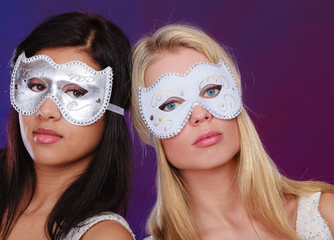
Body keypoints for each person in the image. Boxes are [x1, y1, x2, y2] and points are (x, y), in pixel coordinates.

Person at [130, 24, 334, 240]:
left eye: (211, 90)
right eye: (170, 105)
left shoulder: (325, 213)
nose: (200, 114)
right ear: (148, 128)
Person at [0, 12, 135, 240]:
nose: (46, 111)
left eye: (76, 92)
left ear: (112, 110)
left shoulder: (103, 236)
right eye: (37, 86)